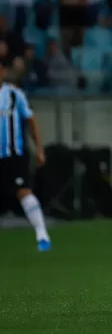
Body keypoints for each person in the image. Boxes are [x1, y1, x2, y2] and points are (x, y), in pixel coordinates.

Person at [0, 62, 51, 252]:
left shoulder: (14, 94)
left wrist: (39, 149)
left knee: (23, 191)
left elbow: (31, 121)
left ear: (3, 71)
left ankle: (42, 234)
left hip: (14, 155)